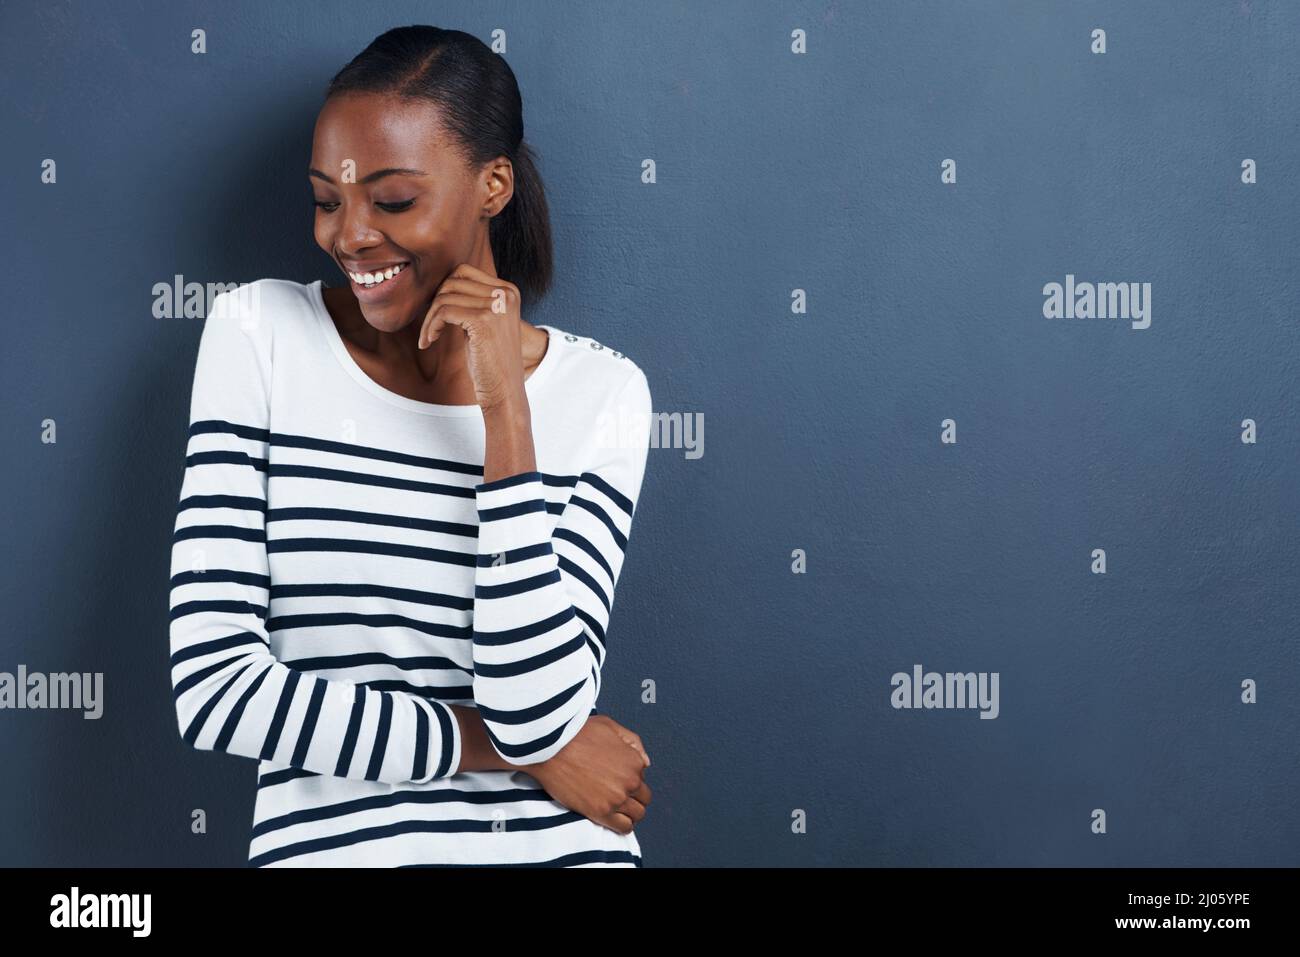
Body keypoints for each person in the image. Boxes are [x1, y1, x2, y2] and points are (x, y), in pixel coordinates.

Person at [167, 25, 654, 866]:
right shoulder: (260, 334)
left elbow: (534, 708)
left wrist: (507, 416)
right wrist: (526, 752)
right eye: (328, 199)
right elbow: (216, 692)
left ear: (492, 184)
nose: (349, 235)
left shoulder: (605, 394)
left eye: (392, 201)